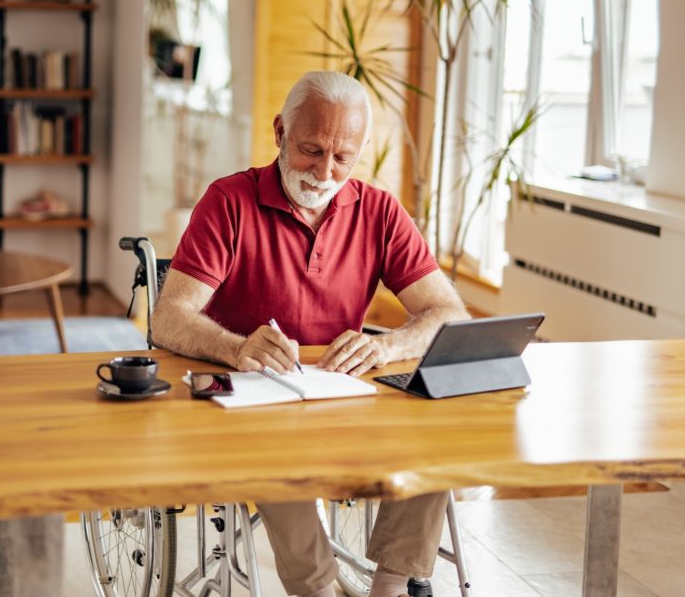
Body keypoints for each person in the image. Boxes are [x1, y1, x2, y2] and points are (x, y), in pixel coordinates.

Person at [151, 71, 469, 597]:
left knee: (432, 427)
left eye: (342, 157)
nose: (324, 172)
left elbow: (447, 312)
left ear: (362, 151)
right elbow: (170, 316)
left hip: (341, 393)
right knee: (275, 451)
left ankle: (391, 584)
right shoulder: (228, 202)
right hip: (252, 396)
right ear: (279, 132)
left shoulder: (380, 211)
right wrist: (235, 347)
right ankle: (317, 590)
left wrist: (387, 345)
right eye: (310, 150)